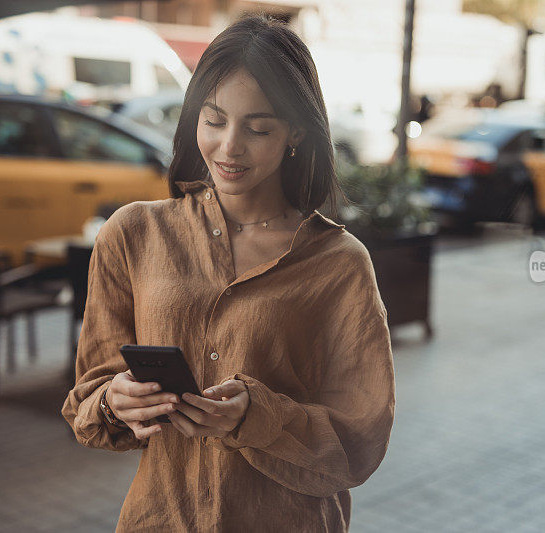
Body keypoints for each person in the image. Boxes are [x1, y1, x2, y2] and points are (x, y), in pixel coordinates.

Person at [61, 14, 395, 532]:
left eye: (258, 128)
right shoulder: (133, 234)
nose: (229, 146)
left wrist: (256, 416)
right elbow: (86, 402)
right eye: (213, 121)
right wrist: (115, 400)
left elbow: (360, 440)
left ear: (295, 133)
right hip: (162, 518)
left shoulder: (339, 263)